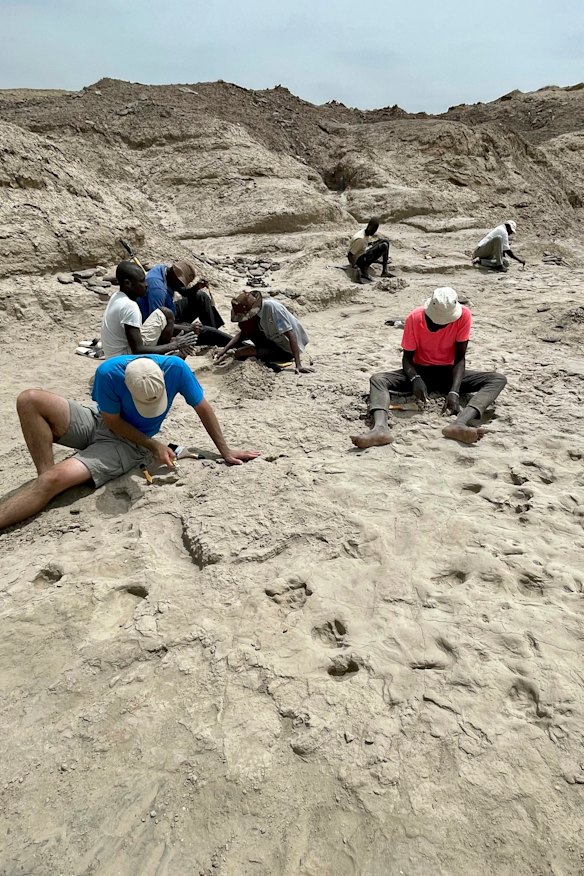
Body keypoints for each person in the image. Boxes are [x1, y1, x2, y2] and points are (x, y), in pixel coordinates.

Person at [0, 356, 259, 530]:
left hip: (128, 444)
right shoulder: (108, 372)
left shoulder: (175, 368)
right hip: (101, 420)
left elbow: (202, 407)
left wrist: (225, 451)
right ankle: (43, 479)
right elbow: (111, 421)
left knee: (53, 481)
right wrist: (154, 445)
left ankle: (46, 485)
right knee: (29, 399)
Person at [351, 287, 507, 448]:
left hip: (449, 373)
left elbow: (460, 358)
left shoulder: (464, 315)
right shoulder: (414, 318)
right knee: (378, 379)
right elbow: (407, 358)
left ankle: (460, 423)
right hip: (420, 371)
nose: (441, 325)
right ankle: (380, 429)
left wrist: (454, 390)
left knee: (497, 379)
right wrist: (415, 378)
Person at [101, 261, 197, 358]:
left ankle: (162, 356)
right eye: (142, 281)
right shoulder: (130, 306)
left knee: (166, 313)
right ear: (127, 284)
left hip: (116, 354)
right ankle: (161, 359)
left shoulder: (116, 296)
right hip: (122, 359)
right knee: (180, 355)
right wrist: (174, 345)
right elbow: (138, 350)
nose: (147, 285)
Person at [214, 291, 313, 373]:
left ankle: (274, 356)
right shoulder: (256, 317)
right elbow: (242, 333)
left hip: (286, 349)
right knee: (244, 328)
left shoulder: (272, 309)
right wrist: (224, 350)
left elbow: (290, 334)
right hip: (272, 341)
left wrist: (298, 365)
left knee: (239, 353)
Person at [140, 260, 230, 346]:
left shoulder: (164, 270)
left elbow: (183, 292)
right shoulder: (157, 289)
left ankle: (213, 336)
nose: (182, 286)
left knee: (200, 296)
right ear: (174, 276)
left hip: (169, 311)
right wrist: (187, 328)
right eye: (181, 283)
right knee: (204, 330)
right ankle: (233, 342)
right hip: (160, 325)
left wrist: (196, 287)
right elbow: (156, 323)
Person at [348, 217, 391, 283]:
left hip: (363, 254)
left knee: (385, 241)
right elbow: (350, 255)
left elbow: (363, 246)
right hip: (359, 261)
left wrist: (373, 243)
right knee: (384, 246)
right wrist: (355, 267)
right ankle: (364, 269)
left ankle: (384, 271)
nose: (374, 231)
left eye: (375, 229)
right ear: (369, 226)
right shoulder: (360, 239)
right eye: (373, 229)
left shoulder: (365, 232)